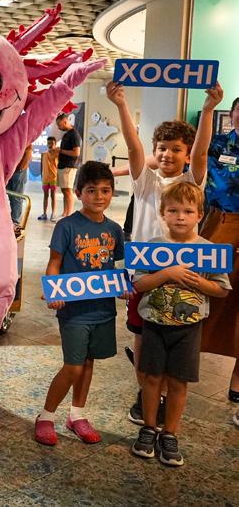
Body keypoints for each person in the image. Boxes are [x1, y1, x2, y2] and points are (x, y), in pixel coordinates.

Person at [106, 80, 223, 426]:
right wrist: (121, 104)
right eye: (161, 148)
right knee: (143, 340)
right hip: (144, 276)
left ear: (185, 154)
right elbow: (133, 146)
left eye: (176, 149)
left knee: (177, 341)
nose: (167, 154)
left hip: (183, 279)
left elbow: (202, 153)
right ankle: (147, 395)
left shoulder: (190, 184)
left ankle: (166, 402)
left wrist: (208, 110)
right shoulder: (145, 181)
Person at [130, 183, 230, 466]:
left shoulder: (209, 251)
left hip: (189, 329)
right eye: (173, 210)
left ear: (200, 214)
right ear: (163, 213)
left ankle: (170, 433)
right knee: (151, 379)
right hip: (154, 324)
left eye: (187, 211)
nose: (180, 217)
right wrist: (168, 273)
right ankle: (149, 428)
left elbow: (221, 289)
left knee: (178, 382)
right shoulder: (152, 247)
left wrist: (199, 282)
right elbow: (139, 283)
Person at [34, 161, 128, 446]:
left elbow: (117, 267)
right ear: (78, 193)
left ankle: (77, 415)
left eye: (105, 190)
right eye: (91, 190)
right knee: (73, 366)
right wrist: (53, 290)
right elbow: (55, 262)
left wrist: (123, 286)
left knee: (88, 363)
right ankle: (46, 416)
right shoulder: (67, 226)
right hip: (74, 312)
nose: (99, 196)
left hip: (103, 310)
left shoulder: (115, 230)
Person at [200, 95, 239, 419]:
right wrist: (209, 108)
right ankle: (173, 364)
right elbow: (201, 161)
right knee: (198, 290)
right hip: (220, 222)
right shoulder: (219, 144)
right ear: (233, 114)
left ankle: (238, 377)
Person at [55, 112, 82, 217]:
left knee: (68, 190)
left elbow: (76, 153)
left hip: (69, 166)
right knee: (64, 190)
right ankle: (65, 213)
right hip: (63, 165)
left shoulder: (74, 134)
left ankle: (69, 214)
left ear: (65, 121)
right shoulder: (67, 134)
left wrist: (61, 151)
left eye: (59, 125)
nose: (58, 127)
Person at [7, 144, 33, 224]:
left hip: (18, 172)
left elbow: (28, 153)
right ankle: (12, 219)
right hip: (10, 170)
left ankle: (15, 221)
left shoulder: (27, 142)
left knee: (17, 198)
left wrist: (20, 169)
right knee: (11, 196)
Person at [37, 136, 59, 221]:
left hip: (54, 178)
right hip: (45, 178)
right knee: (45, 196)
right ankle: (44, 213)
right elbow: (41, 166)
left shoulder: (57, 154)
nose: (50, 145)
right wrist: (42, 176)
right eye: (49, 143)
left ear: (55, 144)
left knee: (53, 196)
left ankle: (53, 213)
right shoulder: (43, 154)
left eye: (52, 143)